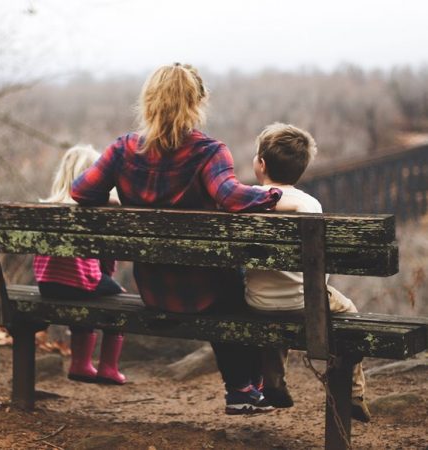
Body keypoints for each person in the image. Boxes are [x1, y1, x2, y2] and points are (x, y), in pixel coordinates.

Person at [71, 63, 292, 414]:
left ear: (148, 102)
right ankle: (244, 389)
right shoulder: (208, 152)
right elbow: (231, 197)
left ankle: (247, 389)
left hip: (154, 290)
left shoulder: (122, 150)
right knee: (237, 289)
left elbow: (80, 191)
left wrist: (112, 199)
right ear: (195, 103)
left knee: (227, 286)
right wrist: (275, 196)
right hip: (206, 292)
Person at [245, 123, 371, 422]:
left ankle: (273, 383)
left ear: (260, 164)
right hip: (307, 302)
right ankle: (353, 392)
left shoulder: (245, 200)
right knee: (349, 312)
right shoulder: (310, 204)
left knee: (273, 312)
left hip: (258, 302)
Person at [33, 145, 126, 385]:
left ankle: (80, 364)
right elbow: (106, 256)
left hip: (47, 285)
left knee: (85, 293)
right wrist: (106, 277)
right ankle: (108, 368)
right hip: (81, 283)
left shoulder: (47, 208)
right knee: (119, 300)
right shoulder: (93, 210)